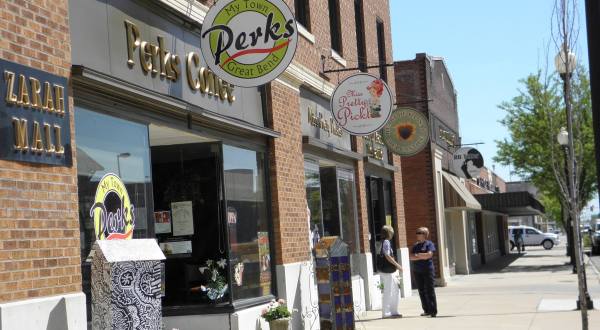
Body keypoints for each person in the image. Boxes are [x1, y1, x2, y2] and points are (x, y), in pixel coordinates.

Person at [410, 227, 438, 317]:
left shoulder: (429, 244)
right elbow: (411, 257)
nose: (417, 234)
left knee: (429, 290)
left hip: (428, 270)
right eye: (417, 232)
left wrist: (417, 255)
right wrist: (422, 256)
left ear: (425, 234)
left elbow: (429, 255)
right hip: (417, 271)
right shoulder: (415, 245)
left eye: (419, 232)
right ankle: (426, 310)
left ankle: (433, 311)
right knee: (421, 291)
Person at [380, 225, 403, 318]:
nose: (393, 234)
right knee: (389, 291)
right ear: (389, 233)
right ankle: (386, 313)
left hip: (388, 270)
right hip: (387, 271)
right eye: (392, 232)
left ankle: (393, 311)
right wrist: (397, 265)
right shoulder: (386, 242)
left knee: (394, 290)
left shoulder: (384, 242)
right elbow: (387, 255)